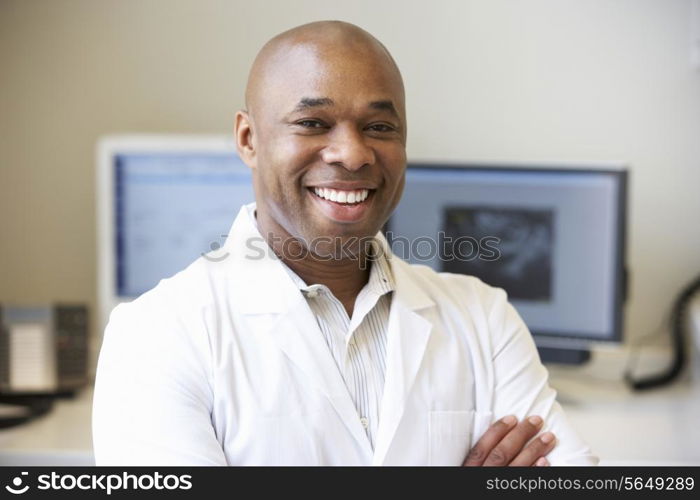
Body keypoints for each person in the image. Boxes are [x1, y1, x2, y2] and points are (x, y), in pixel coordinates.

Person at [92, 20, 598, 466]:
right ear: (248, 138)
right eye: (313, 123)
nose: (353, 154)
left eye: (379, 127)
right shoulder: (156, 335)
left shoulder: (483, 318)